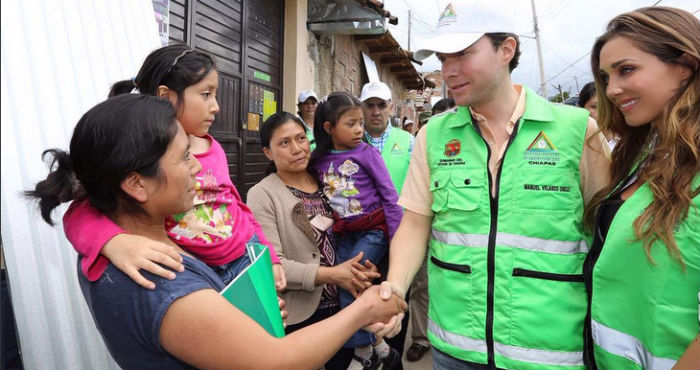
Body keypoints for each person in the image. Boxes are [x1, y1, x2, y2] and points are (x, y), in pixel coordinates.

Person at [25, 94, 407, 370]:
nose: (197, 168)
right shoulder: (160, 282)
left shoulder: (130, 236)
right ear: (137, 185)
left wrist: (240, 316)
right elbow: (278, 361)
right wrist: (363, 309)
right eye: (183, 156)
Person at [378, 2, 611, 369]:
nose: (448, 71)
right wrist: (393, 289)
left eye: (462, 54)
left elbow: (608, 236)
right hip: (454, 349)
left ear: (506, 50)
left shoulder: (577, 130)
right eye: (443, 58)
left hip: (549, 353)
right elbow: (415, 224)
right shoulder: (433, 136)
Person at [60, 44, 285, 291]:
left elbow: (236, 204)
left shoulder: (213, 148)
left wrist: (268, 256)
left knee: (268, 326)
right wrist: (114, 243)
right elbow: (81, 210)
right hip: (201, 271)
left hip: (247, 258)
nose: (216, 106)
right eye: (205, 94)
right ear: (166, 96)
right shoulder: (139, 154)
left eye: (215, 94)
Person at [583, 7, 699, 370]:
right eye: (606, 76)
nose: (613, 89)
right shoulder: (642, 160)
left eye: (626, 69)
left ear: (686, 65)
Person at [247, 111, 382, 369]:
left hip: (346, 307)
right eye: (284, 143)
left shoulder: (327, 181)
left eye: (300, 138)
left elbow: (355, 229)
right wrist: (333, 274)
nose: (297, 149)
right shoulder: (261, 195)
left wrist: (364, 265)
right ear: (268, 152)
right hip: (301, 315)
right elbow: (274, 266)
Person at [312, 91, 404, 370]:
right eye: (350, 124)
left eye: (360, 123)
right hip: (344, 233)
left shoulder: (367, 153)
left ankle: (363, 350)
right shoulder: (318, 160)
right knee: (347, 286)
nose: (359, 130)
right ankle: (380, 346)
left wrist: (397, 239)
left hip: (372, 231)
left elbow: (390, 196)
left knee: (348, 281)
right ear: (329, 128)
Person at [360, 81, 415, 195]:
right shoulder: (350, 141)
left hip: (400, 212)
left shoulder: (408, 141)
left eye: (382, 105)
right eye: (370, 105)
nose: (376, 112)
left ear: (391, 108)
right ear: (361, 108)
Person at [578, 82, 616, 149]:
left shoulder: (627, 137)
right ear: (581, 109)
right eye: (595, 107)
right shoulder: (577, 144)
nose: (604, 111)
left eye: (608, 106)